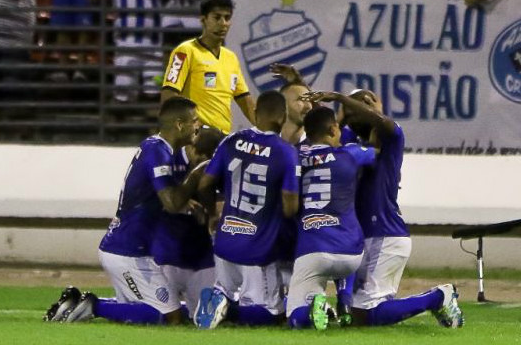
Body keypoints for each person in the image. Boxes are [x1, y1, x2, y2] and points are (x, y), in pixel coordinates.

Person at [304, 89, 464, 328]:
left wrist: (342, 99)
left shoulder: (393, 137)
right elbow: (323, 129)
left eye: (362, 106)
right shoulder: (349, 143)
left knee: (366, 315)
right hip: (364, 237)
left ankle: (438, 297)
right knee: (359, 315)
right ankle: (435, 299)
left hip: (384, 234)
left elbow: (381, 123)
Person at [44, 97, 205, 325]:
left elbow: (153, 194)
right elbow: (170, 202)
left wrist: (186, 202)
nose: (199, 125)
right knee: (170, 317)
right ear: (180, 124)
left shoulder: (155, 147)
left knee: (134, 314)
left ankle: (75, 304)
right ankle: (94, 306)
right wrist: (196, 176)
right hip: (129, 252)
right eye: (195, 120)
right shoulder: (158, 152)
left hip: (129, 247)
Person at [194, 90, 300, 329]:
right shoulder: (286, 152)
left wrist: (212, 213)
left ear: (255, 112)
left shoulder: (230, 141)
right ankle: (227, 308)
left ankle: (220, 300)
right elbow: (290, 207)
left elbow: (204, 184)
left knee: (230, 292)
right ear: (283, 117)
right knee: (272, 315)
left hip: (224, 242)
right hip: (257, 249)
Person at [286, 106, 376, 330]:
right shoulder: (350, 153)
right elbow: (377, 152)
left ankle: (316, 306)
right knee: (345, 236)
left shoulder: (295, 156)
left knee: (295, 317)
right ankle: (345, 302)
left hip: (313, 249)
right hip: (351, 253)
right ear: (334, 128)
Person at [153, 126, 225, 321]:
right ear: (191, 147)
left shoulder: (218, 167)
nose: (205, 163)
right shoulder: (166, 160)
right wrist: (182, 201)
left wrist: (213, 211)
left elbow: (219, 208)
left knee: (206, 319)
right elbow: (154, 197)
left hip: (203, 257)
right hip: (167, 252)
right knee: (161, 317)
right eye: (202, 156)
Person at [160, 0, 255, 134]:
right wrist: (174, 130)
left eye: (227, 18)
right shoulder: (185, 51)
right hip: (194, 137)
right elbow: (169, 93)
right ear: (203, 20)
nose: (223, 23)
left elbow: (244, 100)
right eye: (217, 17)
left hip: (222, 138)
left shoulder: (231, 58)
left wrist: (266, 130)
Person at [101, 0, 164, 102]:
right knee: (123, 95)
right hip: (126, 44)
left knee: (155, 92)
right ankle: (120, 123)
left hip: (154, 46)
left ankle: (152, 125)